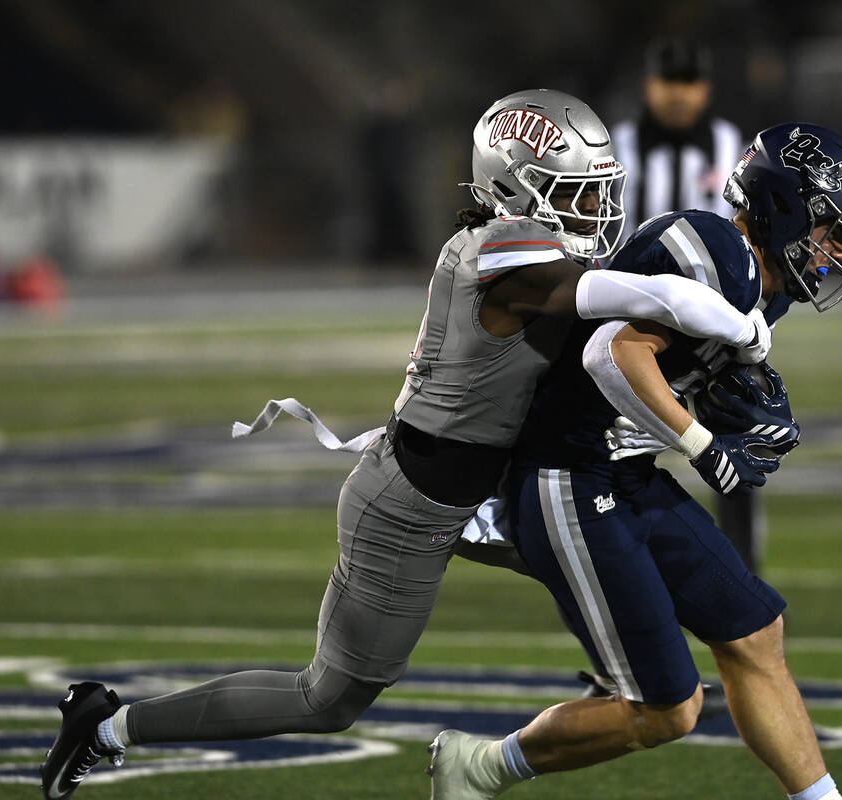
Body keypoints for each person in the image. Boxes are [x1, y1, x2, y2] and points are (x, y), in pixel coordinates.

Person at [38, 88, 776, 800]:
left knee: (596, 531)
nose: (597, 210)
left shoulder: (531, 248)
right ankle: (108, 726)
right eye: (574, 192)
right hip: (414, 503)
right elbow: (649, 297)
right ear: (514, 188)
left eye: (598, 191)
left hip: (488, 489)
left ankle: (618, 672)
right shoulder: (502, 253)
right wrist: (745, 330)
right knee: (328, 699)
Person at [428, 122, 842, 800]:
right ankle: (479, 768)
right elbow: (609, 354)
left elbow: (676, 367)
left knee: (756, 633)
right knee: (668, 709)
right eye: (829, 229)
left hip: (624, 473)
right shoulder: (715, 253)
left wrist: (732, 406)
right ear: (787, 206)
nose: (837, 250)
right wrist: (702, 444)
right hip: (565, 476)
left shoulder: (766, 280)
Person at [612, 37, 763, 574]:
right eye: (669, 82)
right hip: (639, 323)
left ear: (706, 88)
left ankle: (742, 569)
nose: (679, 95)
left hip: (718, 326)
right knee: (620, 450)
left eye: (690, 83)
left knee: (740, 450)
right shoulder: (621, 147)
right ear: (649, 85)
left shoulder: (729, 146)